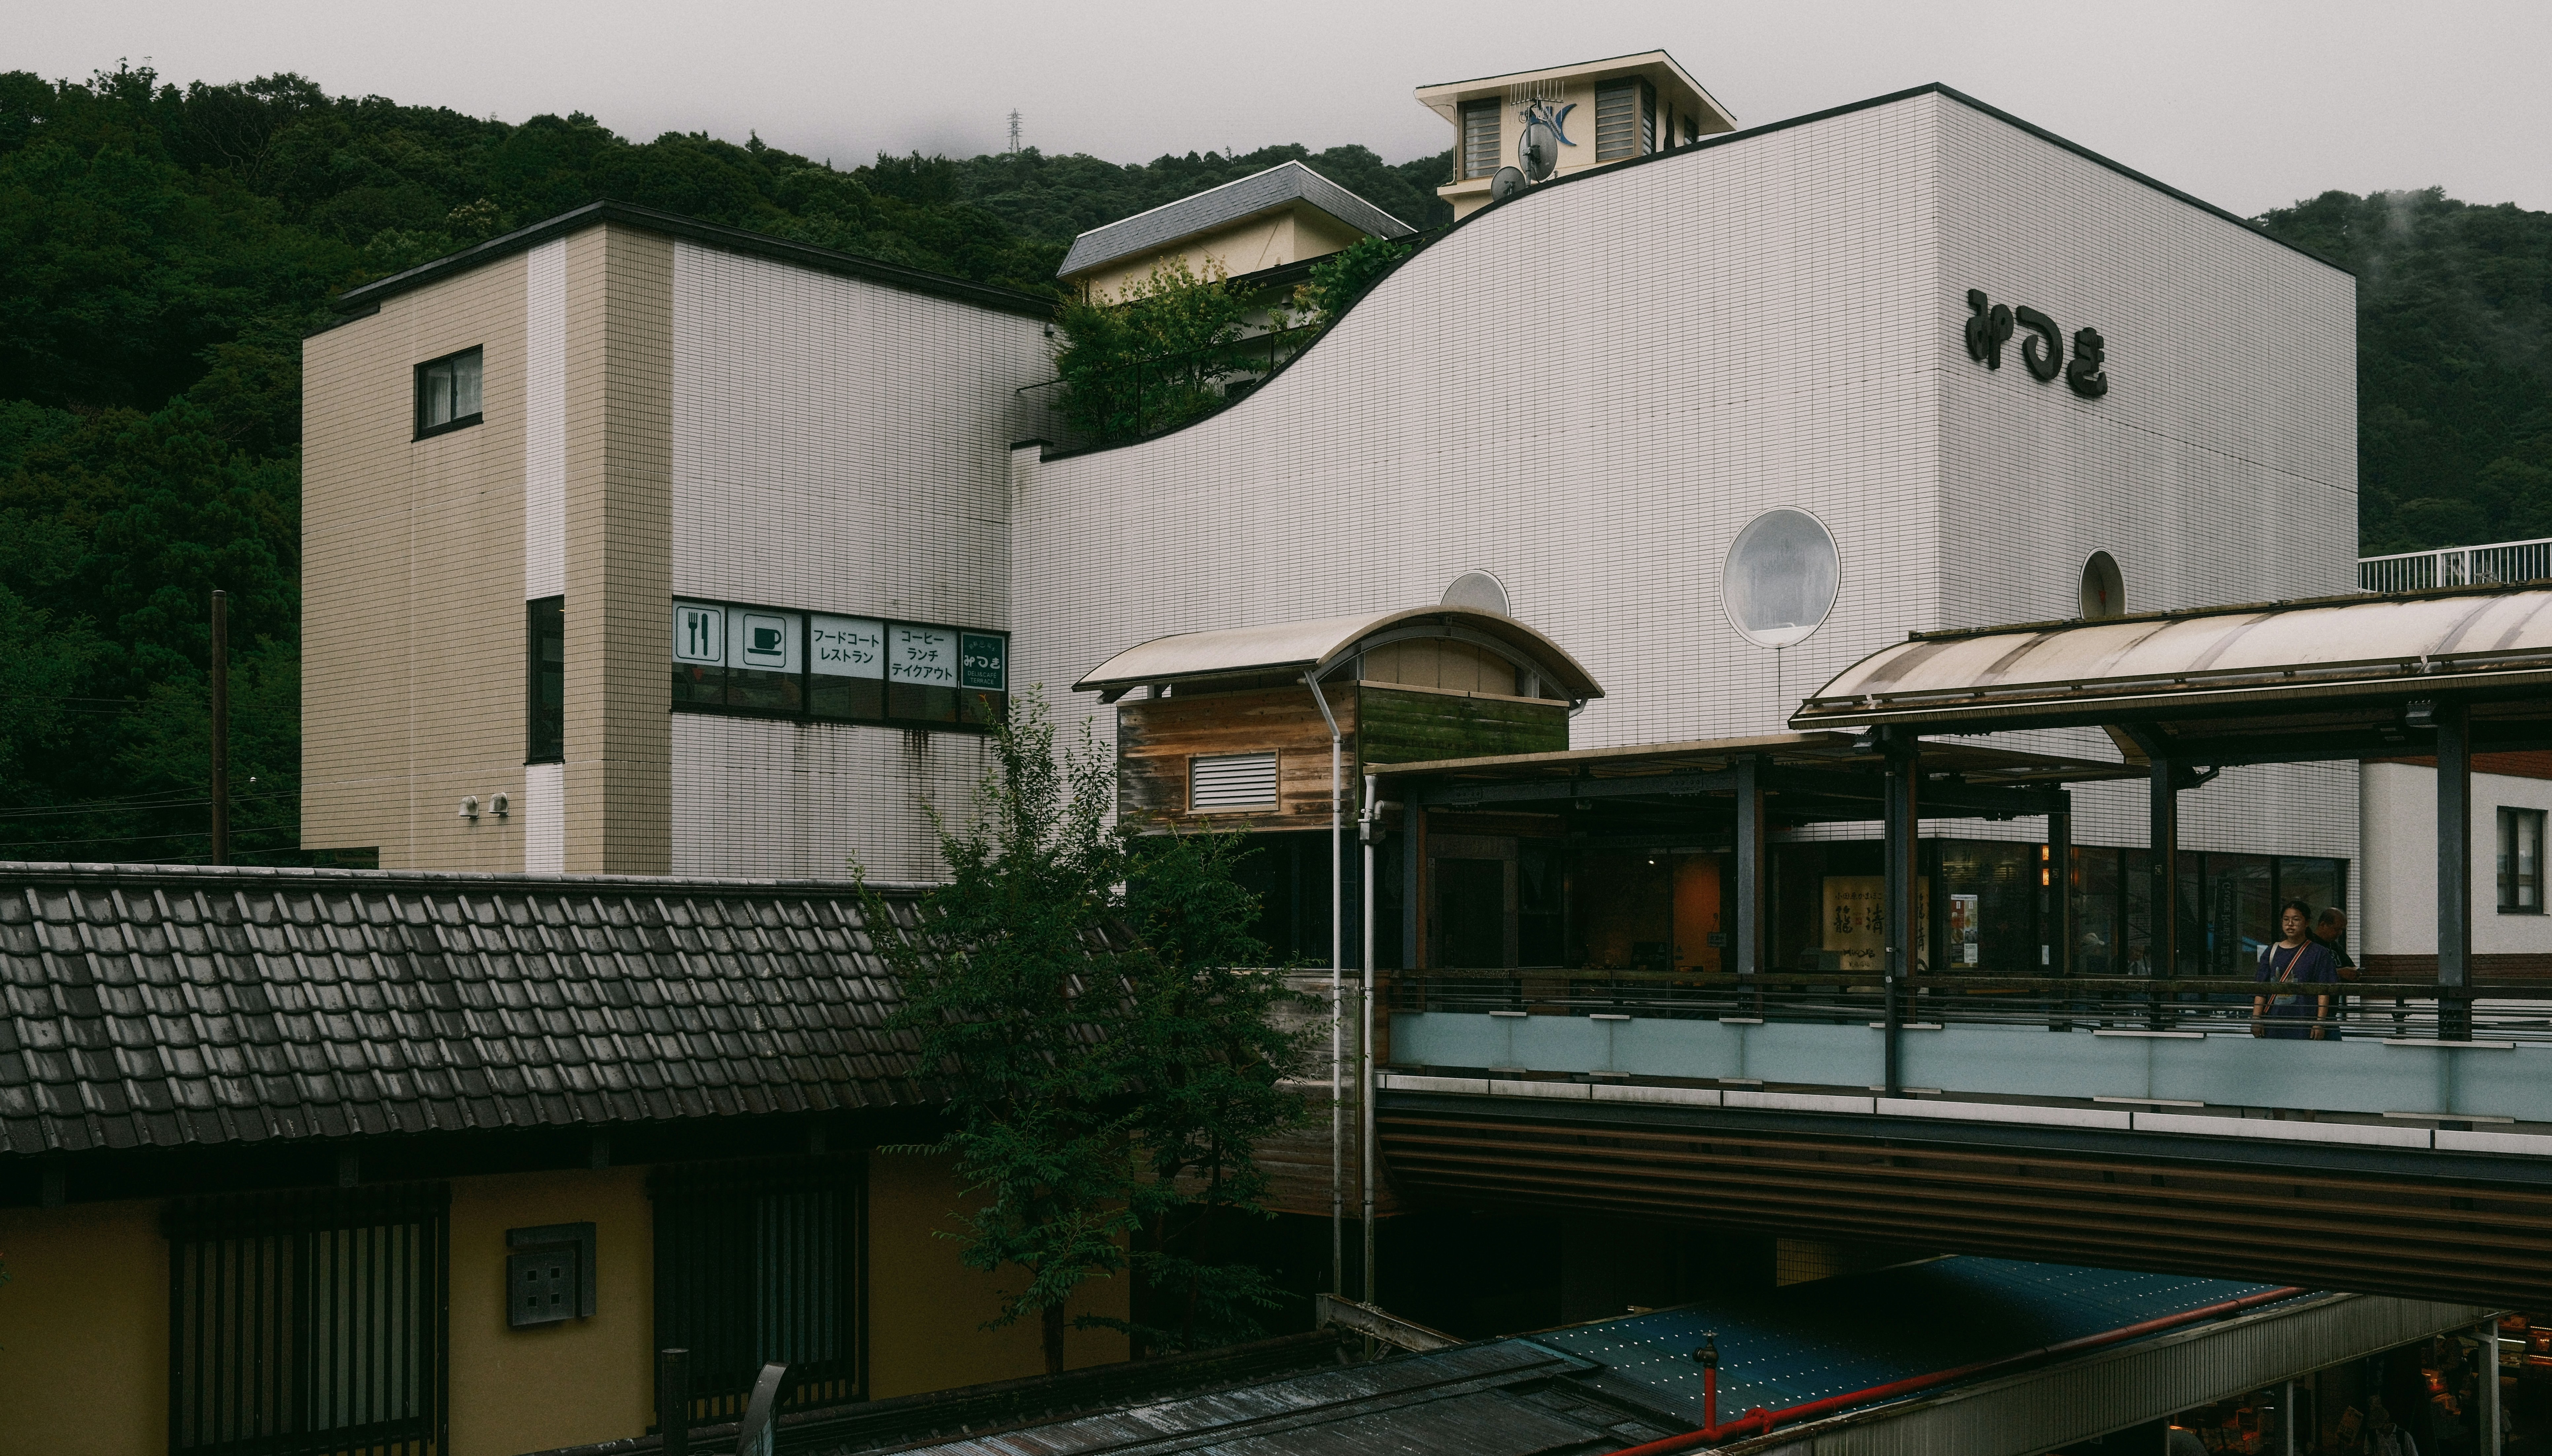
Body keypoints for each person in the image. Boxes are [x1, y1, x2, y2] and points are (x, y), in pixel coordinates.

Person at [2253, 898, 2337, 1039]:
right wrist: (2256, 1020)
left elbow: (2324, 991)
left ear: (2307, 922)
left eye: (2296, 920)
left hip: (2305, 1023)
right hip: (2273, 1023)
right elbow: (2261, 990)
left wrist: (2320, 1023)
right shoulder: (2271, 951)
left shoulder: (2319, 953)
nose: (2290, 924)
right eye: (2286, 920)